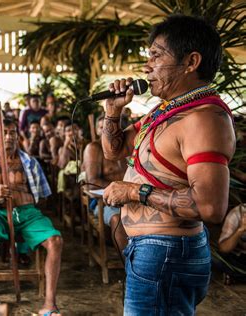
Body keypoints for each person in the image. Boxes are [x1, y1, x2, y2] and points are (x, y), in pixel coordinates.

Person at [101, 15, 235, 314]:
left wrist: (135, 192)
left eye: (156, 55)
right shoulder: (162, 112)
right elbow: (114, 150)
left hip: (166, 251)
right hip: (154, 252)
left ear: (191, 61)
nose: (147, 66)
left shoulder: (204, 119)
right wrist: (112, 112)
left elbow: (211, 207)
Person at [0, 119, 63, 316]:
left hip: (28, 214)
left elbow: (43, 196)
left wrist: (26, 206)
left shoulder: (29, 162)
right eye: (4, 133)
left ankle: (49, 303)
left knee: (55, 240)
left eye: (12, 133)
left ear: (18, 137)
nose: (8, 136)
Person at [83, 114, 128, 251]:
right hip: (104, 201)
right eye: (102, 129)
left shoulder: (129, 146)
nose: (108, 133)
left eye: (113, 129)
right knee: (117, 219)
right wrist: (122, 189)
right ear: (97, 131)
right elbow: (92, 183)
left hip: (132, 199)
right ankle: (129, 269)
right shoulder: (94, 148)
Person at [214, 204, 246, 284]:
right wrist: (241, 230)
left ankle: (236, 278)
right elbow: (224, 249)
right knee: (216, 259)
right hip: (239, 259)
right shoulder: (237, 212)